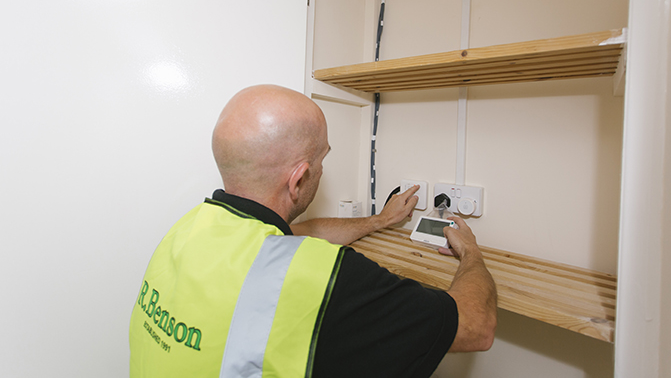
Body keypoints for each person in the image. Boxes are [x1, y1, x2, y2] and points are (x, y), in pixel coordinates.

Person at [129, 84, 497, 378]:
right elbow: (476, 327)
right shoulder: (320, 278)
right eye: (321, 160)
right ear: (299, 178)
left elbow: (299, 233)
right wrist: (472, 253)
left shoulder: (193, 225)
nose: (322, 170)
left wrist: (379, 221)